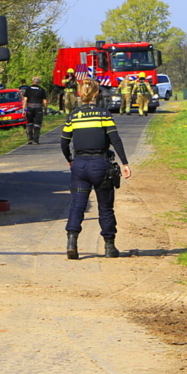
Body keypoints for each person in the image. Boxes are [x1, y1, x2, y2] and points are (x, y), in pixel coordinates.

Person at [61, 78, 131, 259]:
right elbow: (115, 139)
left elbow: (64, 142)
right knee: (105, 207)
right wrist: (124, 163)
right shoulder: (104, 115)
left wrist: (69, 159)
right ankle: (109, 247)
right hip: (101, 165)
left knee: (77, 206)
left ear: (80, 94)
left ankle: (72, 242)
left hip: (80, 165)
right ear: (97, 94)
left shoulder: (73, 116)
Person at [22, 76, 48, 144]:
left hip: (30, 108)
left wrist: (23, 109)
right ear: (39, 82)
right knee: (37, 124)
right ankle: (36, 140)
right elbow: (45, 101)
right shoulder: (42, 90)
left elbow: (25, 100)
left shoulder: (28, 89)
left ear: (32, 81)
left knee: (29, 123)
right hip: (38, 108)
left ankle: (30, 139)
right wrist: (45, 109)